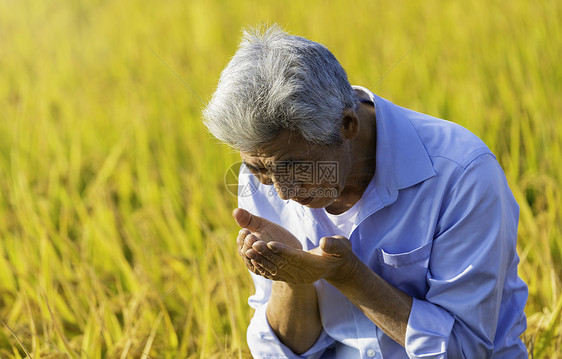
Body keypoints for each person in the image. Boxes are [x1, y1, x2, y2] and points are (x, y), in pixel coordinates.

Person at [203, 25, 528, 359]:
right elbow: (281, 353)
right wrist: (290, 279)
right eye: (259, 170)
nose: (282, 192)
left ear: (347, 125)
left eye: (293, 166)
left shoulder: (460, 174)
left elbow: (467, 349)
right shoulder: (262, 171)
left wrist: (348, 275)